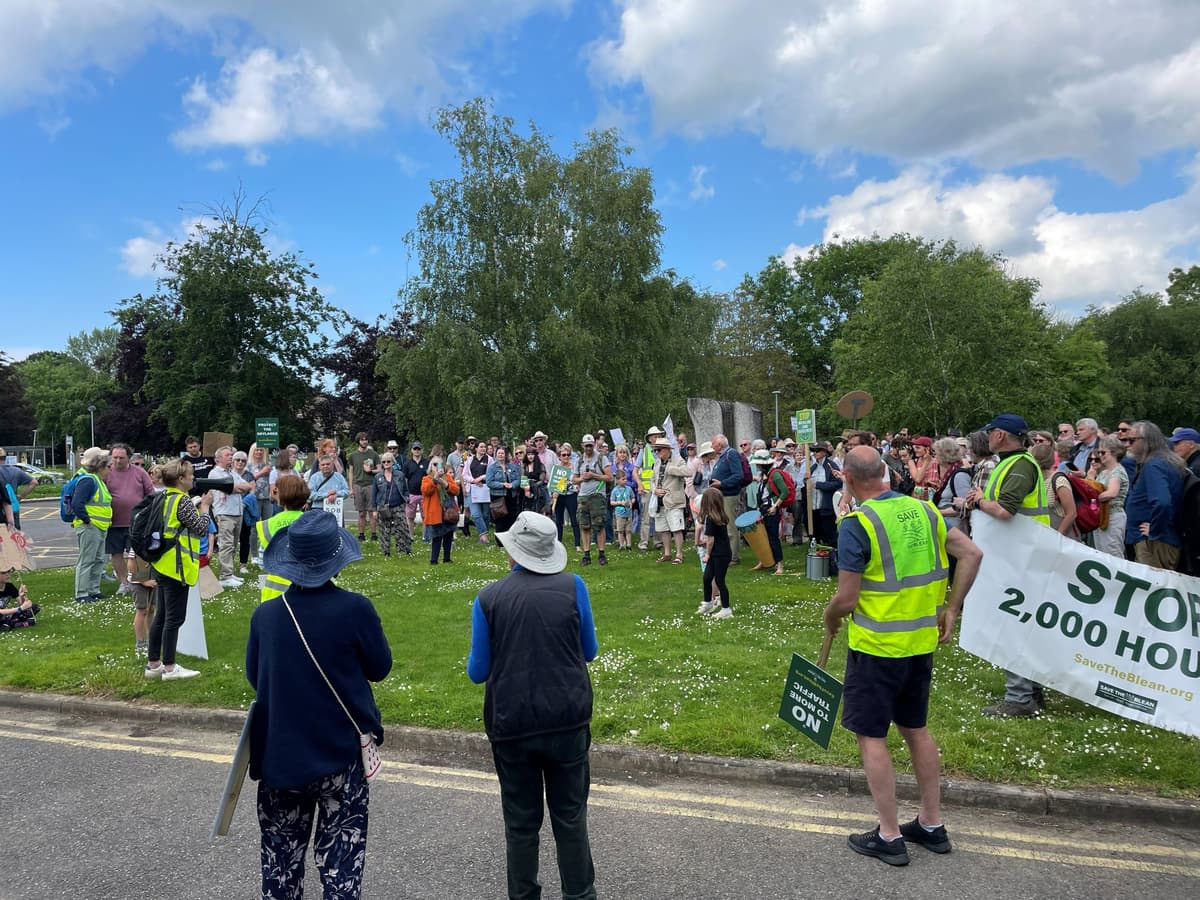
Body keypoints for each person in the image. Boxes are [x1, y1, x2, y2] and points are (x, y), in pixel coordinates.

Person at [824, 446, 982, 866]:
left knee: (872, 736)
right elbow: (972, 553)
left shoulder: (858, 524)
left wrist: (830, 615)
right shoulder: (926, 510)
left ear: (848, 479)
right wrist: (952, 608)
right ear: (886, 473)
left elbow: (847, 597)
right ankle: (931, 825)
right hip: (919, 643)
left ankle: (889, 834)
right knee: (916, 729)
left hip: (877, 648)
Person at [248, 510, 392, 900]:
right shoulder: (355, 609)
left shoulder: (266, 616)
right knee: (341, 867)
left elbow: (254, 679)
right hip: (339, 757)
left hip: (280, 757)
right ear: (336, 560)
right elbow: (380, 668)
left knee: (281, 867)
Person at [467, 512, 599, 900]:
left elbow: (478, 672)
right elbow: (588, 651)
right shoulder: (574, 586)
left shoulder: (488, 598)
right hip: (567, 716)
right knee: (570, 816)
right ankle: (580, 894)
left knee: (522, 823)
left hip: (513, 721)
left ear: (513, 552)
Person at [964, 413, 1050, 718]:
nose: (987, 437)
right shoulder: (1013, 463)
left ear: (1001, 435)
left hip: (1021, 556)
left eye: (990, 432)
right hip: (1019, 554)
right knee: (1024, 625)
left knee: (1012, 625)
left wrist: (978, 500)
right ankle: (1031, 691)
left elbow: (1004, 511)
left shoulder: (1019, 465)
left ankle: (1020, 695)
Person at [144, 458, 212, 680]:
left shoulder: (163, 496)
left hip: (162, 563)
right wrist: (205, 507)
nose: (194, 478)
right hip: (177, 566)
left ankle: (153, 663)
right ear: (181, 479)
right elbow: (201, 529)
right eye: (191, 475)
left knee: (161, 616)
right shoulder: (181, 501)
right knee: (174, 618)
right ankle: (170, 667)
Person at [1125, 420, 1186, 570]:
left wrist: (1155, 530)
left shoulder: (1155, 465)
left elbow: (1162, 502)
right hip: (1156, 540)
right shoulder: (1161, 462)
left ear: (1146, 441)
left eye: (1132, 440)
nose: (1127, 445)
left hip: (1154, 543)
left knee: (1154, 589)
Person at [105, 442, 154, 594]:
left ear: (129, 458)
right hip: (114, 522)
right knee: (116, 553)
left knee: (137, 552)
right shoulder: (106, 473)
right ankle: (123, 582)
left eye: (121, 458)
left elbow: (150, 493)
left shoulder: (139, 473)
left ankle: (138, 580)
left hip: (136, 522)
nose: (118, 461)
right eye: (115, 458)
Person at [257, 475, 310, 603]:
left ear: (280, 495)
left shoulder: (267, 525)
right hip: (308, 586)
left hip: (275, 590)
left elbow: (262, 560)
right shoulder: (312, 522)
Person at [71, 447, 112, 603]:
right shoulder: (88, 480)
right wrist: (87, 521)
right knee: (87, 560)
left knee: (99, 559)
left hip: (99, 526)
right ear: (99, 465)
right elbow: (77, 503)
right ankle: (81, 593)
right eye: (107, 466)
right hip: (91, 526)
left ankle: (94, 590)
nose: (110, 469)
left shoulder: (97, 480)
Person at [210, 446, 253, 588]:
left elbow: (248, 486)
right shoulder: (215, 474)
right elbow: (231, 488)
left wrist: (235, 487)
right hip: (224, 512)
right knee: (226, 544)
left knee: (233, 544)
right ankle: (225, 576)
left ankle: (230, 572)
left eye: (231, 454)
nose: (231, 457)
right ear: (218, 458)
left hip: (237, 512)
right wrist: (235, 488)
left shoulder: (232, 473)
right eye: (228, 455)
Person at [572, 435, 612, 567]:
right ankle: (586, 554)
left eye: (590, 445)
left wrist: (593, 475)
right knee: (584, 525)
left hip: (597, 496)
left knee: (599, 525)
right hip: (583, 496)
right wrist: (583, 478)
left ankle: (601, 554)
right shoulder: (579, 461)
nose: (588, 448)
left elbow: (609, 477)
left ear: (594, 444)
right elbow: (574, 479)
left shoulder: (602, 458)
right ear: (582, 446)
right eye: (586, 445)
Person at [650, 438, 691, 565]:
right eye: (655, 450)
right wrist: (654, 490)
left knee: (676, 528)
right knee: (663, 529)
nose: (657, 452)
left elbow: (688, 472)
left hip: (674, 501)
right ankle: (667, 553)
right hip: (660, 501)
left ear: (667, 449)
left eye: (659, 449)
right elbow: (652, 480)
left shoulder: (678, 460)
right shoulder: (657, 463)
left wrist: (670, 468)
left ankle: (679, 554)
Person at [1087, 436, 1130, 558]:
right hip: (1101, 516)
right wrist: (1090, 478)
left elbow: (1112, 493)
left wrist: (1094, 498)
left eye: (1103, 452)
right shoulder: (1104, 472)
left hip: (1113, 517)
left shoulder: (1117, 471)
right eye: (1099, 452)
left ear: (1114, 453)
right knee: (1101, 553)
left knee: (1113, 552)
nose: (1100, 455)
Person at [696, 487, 733, 619]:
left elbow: (710, 540)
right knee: (707, 577)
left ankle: (726, 609)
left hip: (720, 554)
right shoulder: (717, 516)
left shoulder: (711, 519)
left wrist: (707, 554)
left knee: (719, 580)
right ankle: (708, 602)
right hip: (718, 553)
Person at [708, 434, 745, 565]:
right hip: (721, 496)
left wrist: (721, 483)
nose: (712, 446)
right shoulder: (723, 456)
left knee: (730, 527)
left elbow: (738, 475)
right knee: (723, 526)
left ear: (719, 444)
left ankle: (734, 557)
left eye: (713, 444)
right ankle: (726, 553)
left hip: (729, 496)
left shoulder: (731, 454)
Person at [1033, 443, 1079, 539]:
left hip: (1063, 537)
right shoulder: (1036, 480)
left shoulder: (1059, 480)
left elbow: (1071, 513)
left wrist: (1056, 537)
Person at [421, 456, 459, 565]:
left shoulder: (447, 477)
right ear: (431, 467)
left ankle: (447, 558)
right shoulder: (426, 478)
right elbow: (426, 491)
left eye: (439, 464)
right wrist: (435, 480)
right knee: (437, 537)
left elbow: (456, 491)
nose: (437, 467)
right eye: (434, 464)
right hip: (436, 512)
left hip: (449, 511)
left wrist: (445, 484)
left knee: (448, 535)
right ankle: (434, 560)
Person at [372, 451, 410, 558]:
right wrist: (374, 510)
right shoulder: (378, 477)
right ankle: (386, 552)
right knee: (384, 530)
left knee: (402, 528)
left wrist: (407, 498)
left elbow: (406, 490)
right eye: (384, 462)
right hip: (383, 506)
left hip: (398, 505)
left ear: (393, 462)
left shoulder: (400, 475)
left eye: (388, 461)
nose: (386, 463)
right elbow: (374, 494)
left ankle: (403, 550)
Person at [635, 426, 665, 551]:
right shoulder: (644, 450)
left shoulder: (664, 449)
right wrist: (640, 484)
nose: (657, 438)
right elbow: (635, 471)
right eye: (655, 436)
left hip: (660, 488)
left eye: (659, 435)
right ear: (650, 438)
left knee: (659, 515)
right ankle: (644, 543)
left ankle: (658, 541)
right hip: (647, 489)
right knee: (646, 517)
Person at [348, 432, 380, 543]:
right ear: (358, 441)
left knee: (372, 512)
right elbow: (351, 472)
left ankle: (374, 534)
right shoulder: (353, 455)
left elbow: (379, 469)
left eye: (366, 439)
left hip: (370, 484)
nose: (364, 441)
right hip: (358, 485)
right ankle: (361, 535)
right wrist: (351, 488)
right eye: (362, 440)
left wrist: (371, 471)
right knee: (361, 513)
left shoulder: (374, 454)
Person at [552, 442, 582, 551]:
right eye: (563, 455)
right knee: (559, 520)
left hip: (571, 495)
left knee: (574, 519)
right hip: (559, 496)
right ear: (559, 456)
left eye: (568, 454)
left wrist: (576, 486)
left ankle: (578, 544)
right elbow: (553, 483)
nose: (566, 457)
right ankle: (558, 543)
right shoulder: (556, 468)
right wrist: (554, 492)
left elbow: (577, 482)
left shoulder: (574, 468)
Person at [487, 446, 522, 536]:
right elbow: (489, 483)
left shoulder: (513, 467)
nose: (501, 455)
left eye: (502, 453)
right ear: (496, 455)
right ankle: (500, 540)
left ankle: (510, 538)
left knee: (511, 517)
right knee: (500, 518)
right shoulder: (492, 468)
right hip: (498, 497)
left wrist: (512, 485)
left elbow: (519, 480)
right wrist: (502, 485)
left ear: (505, 455)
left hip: (511, 496)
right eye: (499, 453)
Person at [402, 442, 430, 541]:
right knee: (410, 516)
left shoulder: (427, 462)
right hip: (411, 493)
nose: (417, 451)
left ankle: (424, 536)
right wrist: (405, 493)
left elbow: (430, 477)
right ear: (412, 450)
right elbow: (404, 479)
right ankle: (410, 536)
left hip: (424, 494)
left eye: (418, 449)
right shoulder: (407, 463)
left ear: (422, 450)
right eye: (415, 449)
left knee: (425, 516)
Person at [0, 567, 39, 631]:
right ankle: (13, 623)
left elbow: (21, 603)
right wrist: (20, 609)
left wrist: (21, 595)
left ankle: (10, 624)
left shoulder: (9, 586)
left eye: (9, 571)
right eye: (4, 573)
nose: (7, 574)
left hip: (5, 614)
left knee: (34, 607)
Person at [609, 467, 635, 551]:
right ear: (617, 480)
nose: (625, 481)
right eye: (623, 479)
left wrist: (631, 502)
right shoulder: (614, 491)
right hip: (619, 514)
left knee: (628, 530)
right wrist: (620, 503)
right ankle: (621, 545)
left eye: (626, 479)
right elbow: (612, 502)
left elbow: (633, 498)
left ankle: (629, 545)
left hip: (628, 513)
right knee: (620, 530)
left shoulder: (629, 489)